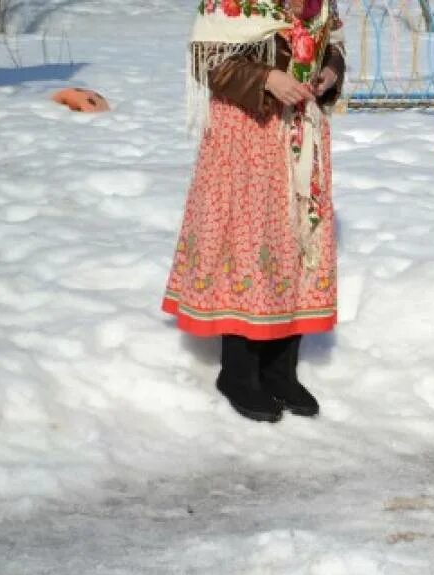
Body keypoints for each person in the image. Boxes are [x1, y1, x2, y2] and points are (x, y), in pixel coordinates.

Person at [162, 0, 346, 422]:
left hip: (301, 128)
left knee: (298, 241)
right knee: (248, 241)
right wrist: (268, 78)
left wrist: (330, 72)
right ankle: (239, 371)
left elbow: (331, 43)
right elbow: (207, 59)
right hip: (247, 129)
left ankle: (280, 369)